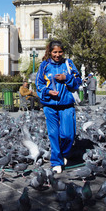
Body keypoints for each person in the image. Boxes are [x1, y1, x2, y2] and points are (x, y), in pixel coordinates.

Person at [35, 40, 82, 174]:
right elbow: (39, 84)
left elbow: (77, 82)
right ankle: (56, 162)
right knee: (54, 134)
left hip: (67, 105)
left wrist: (66, 77)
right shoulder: (44, 65)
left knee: (68, 135)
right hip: (49, 105)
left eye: (60, 52)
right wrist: (48, 91)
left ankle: (64, 154)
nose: (57, 55)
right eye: (55, 52)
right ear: (50, 52)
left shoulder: (68, 64)